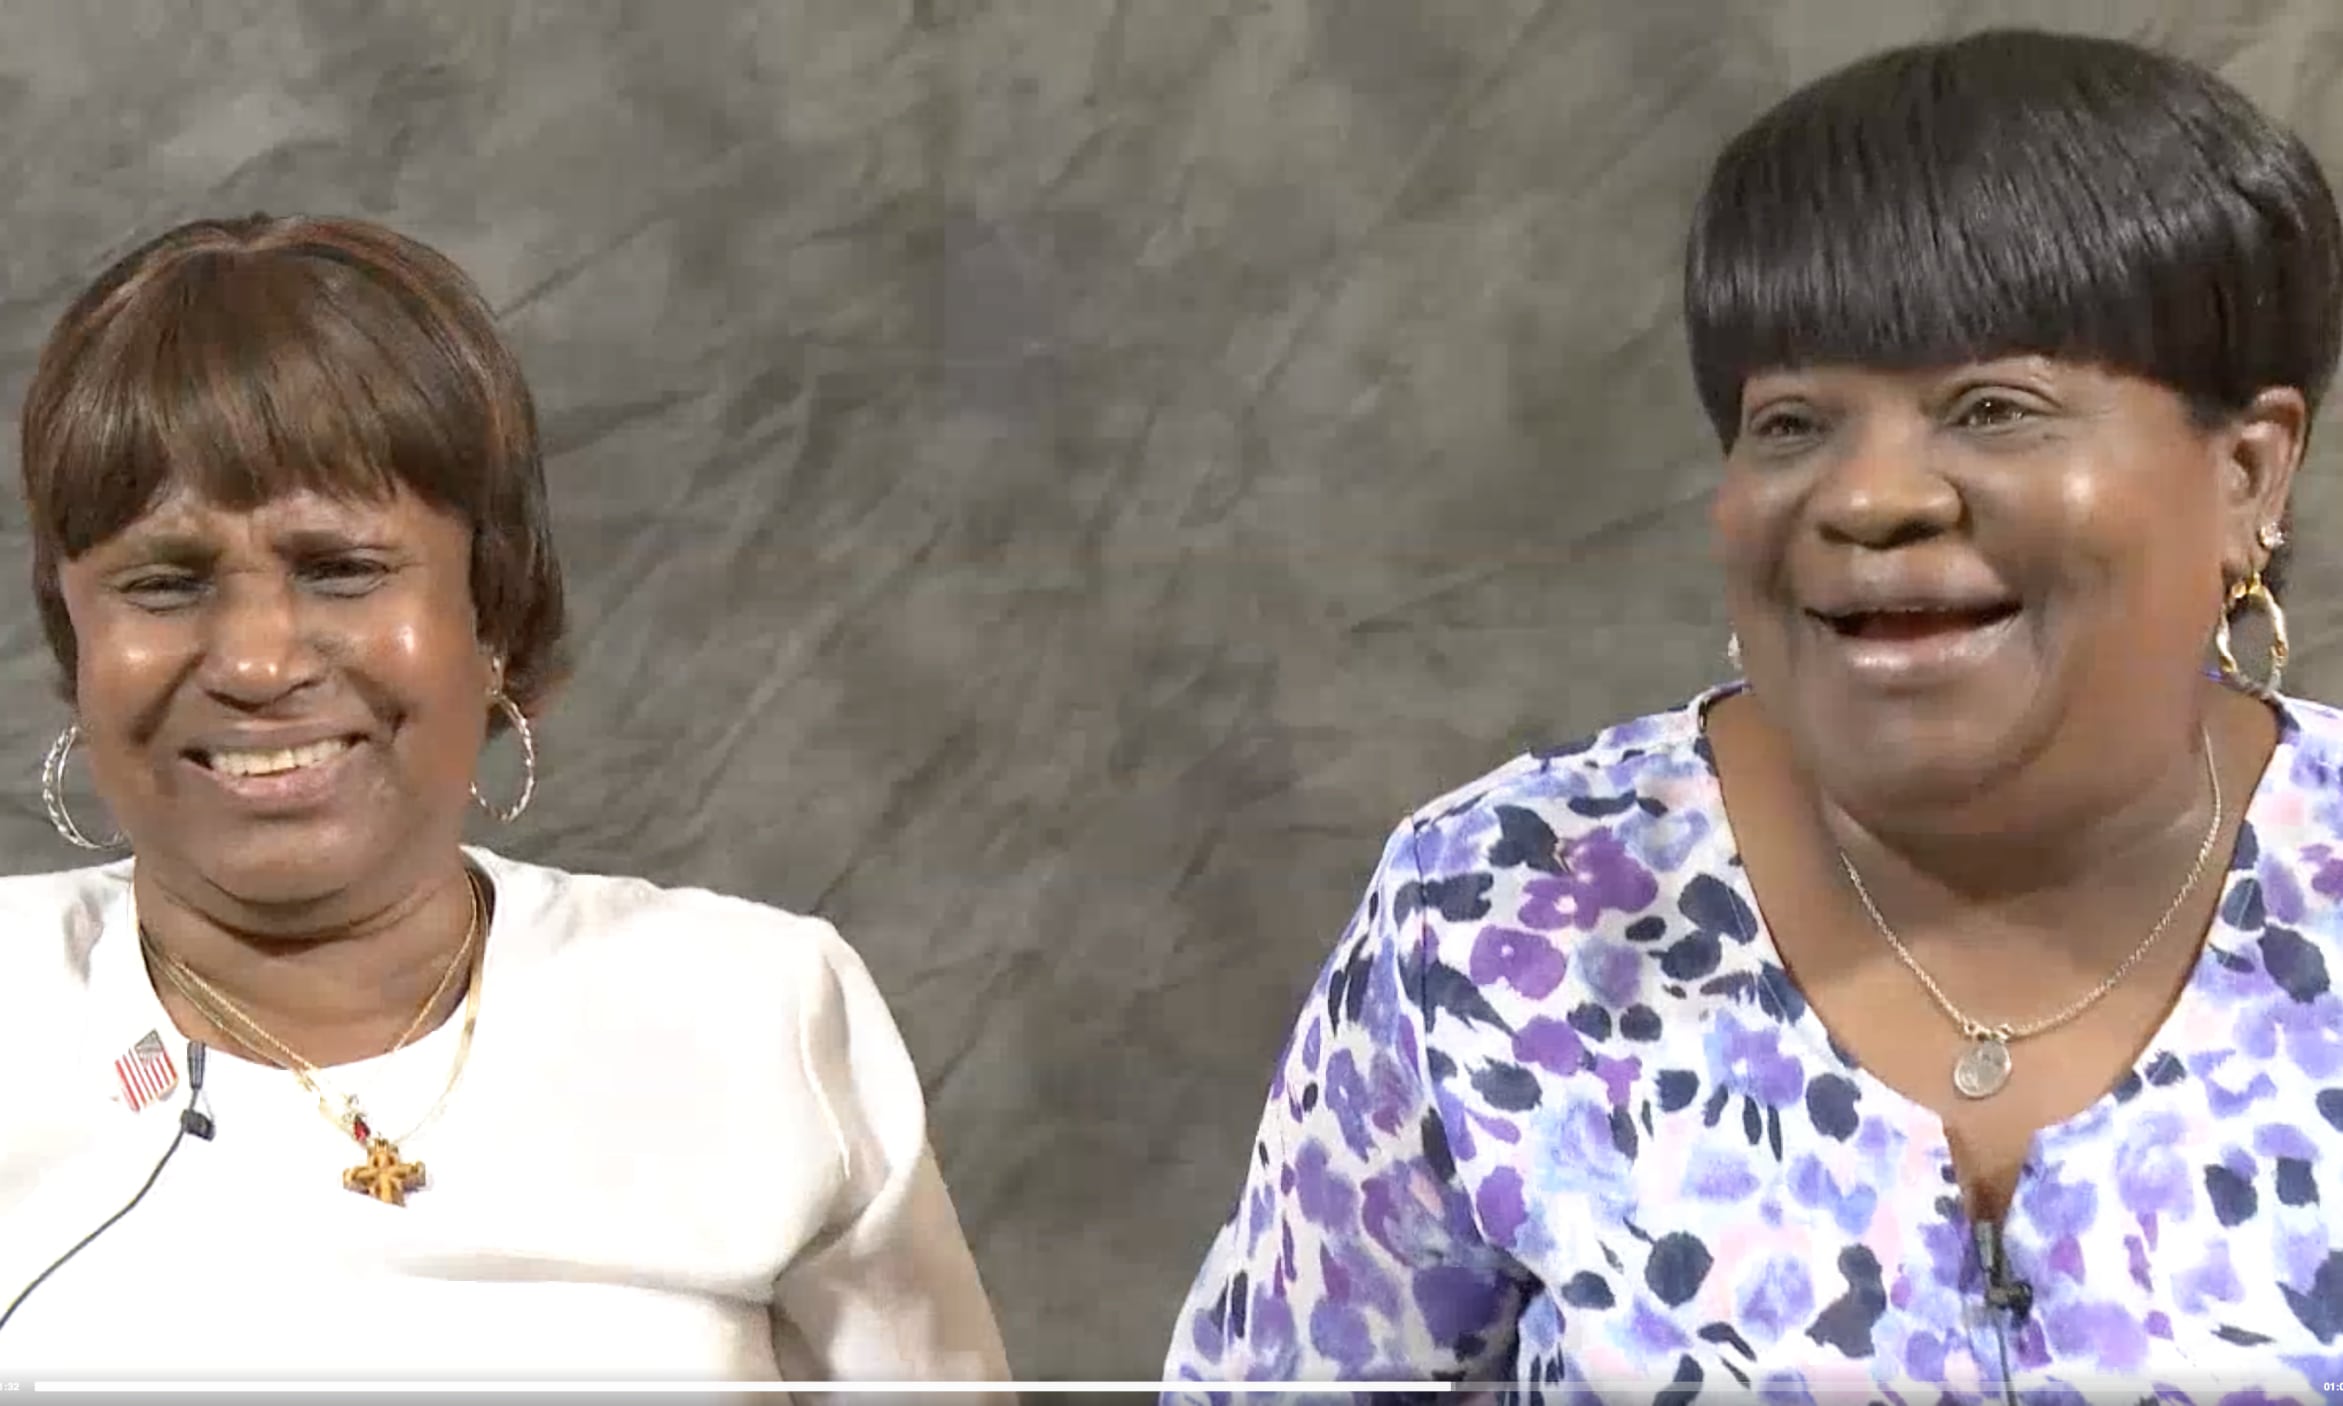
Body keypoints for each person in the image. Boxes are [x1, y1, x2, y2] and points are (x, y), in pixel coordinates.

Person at [1165, 28, 2343, 1401]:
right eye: (1789, 423)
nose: (1865, 497)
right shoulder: (1497, 917)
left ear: (2246, 471)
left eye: (1990, 408)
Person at [0, 213, 1009, 1385]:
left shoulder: (759, 1012)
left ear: (496, 613)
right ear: (76, 643)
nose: (258, 661)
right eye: (163, 583)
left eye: (341, 567)